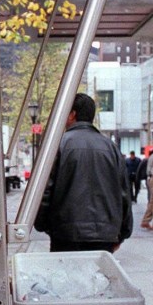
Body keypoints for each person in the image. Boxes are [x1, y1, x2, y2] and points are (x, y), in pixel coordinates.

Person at [34, 93, 133, 252]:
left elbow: (46, 190)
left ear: (73, 114)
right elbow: (123, 193)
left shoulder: (59, 144)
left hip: (66, 233)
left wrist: (42, 223)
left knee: (67, 276)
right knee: (97, 276)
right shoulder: (110, 147)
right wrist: (123, 232)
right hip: (104, 234)